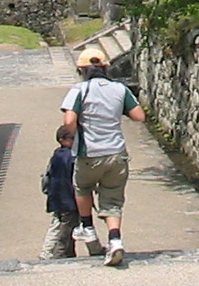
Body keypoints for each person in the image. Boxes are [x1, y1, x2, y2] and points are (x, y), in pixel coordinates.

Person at [62, 45, 146, 266]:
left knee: (82, 186)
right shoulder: (119, 89)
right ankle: (115, 239)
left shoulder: (79, 90)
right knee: (112, 199)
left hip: (89, 152)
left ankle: (87, 227)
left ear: (82, 70)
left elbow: (70, 120)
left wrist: (68, 137)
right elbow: (139, 116)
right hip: (116, 153)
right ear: (106, 68)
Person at [38, 125, 79, 260]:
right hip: (68, 198)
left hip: (56, 197)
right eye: (72, 138)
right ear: (63, 140)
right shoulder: (70, 157)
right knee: (68, 227)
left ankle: (47, 252)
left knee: (57, 224)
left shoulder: (57, 154)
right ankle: (61, 252)